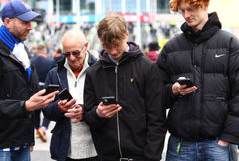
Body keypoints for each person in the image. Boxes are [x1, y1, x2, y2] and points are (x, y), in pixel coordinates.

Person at [156, 0, 239, 161]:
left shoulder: (230, 44)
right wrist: (173, 90)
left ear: (205, 4)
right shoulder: (171, 48)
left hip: (217, 143)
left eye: (191, 9)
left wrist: (227, 138)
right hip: (180, 144)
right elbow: (154, 93)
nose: (186, 15)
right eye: (182, 10)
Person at [0, 0, 58, 160]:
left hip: (22, 144)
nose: (30, 26)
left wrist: (29, 136)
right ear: (7, 22)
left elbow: (27, 94)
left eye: (31, 22)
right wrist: (26, 106)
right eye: (25, 22)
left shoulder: (21, 51)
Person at [84, 14, 167, 160]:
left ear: (127, 35)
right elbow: (88, 116)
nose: (113, 51)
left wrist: (151, 157)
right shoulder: (93, 73)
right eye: (107, 46)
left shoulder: (147, 69)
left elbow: (157, 119)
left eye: (117, 45)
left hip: (141, 157)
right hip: (106, 156)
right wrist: (98, 113)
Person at [43, 29, 98, 161]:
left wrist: (85, 112)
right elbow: (46, 110)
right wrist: (58, 108)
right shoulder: (54, 74)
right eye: (67, 54)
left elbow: (109, 108)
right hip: (64, 151)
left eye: (76, 53)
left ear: (86, 47)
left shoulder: (100, 70)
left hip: (97, 149)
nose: (72, 58)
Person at [30, 44, 55, 142]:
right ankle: (43, 128)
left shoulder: (31, 61)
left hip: (34, 88)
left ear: (37, 52)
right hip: (47, 87)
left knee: (35, 110)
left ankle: (37, 129)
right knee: (47, 108)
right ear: (45, 52)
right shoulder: (51, 61)